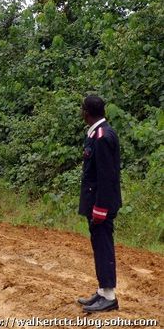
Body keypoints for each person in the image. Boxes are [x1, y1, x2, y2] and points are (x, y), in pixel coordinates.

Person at [77, 95, 121, 313]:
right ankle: (103, 291)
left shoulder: (102, 136)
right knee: (99, 245)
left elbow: (106, 177)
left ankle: (110, 296)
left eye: (82, 109)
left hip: (101, 203)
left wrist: (100, 209)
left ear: (87, 112)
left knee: (104, 246)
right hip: (96, 201)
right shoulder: (96, 133)